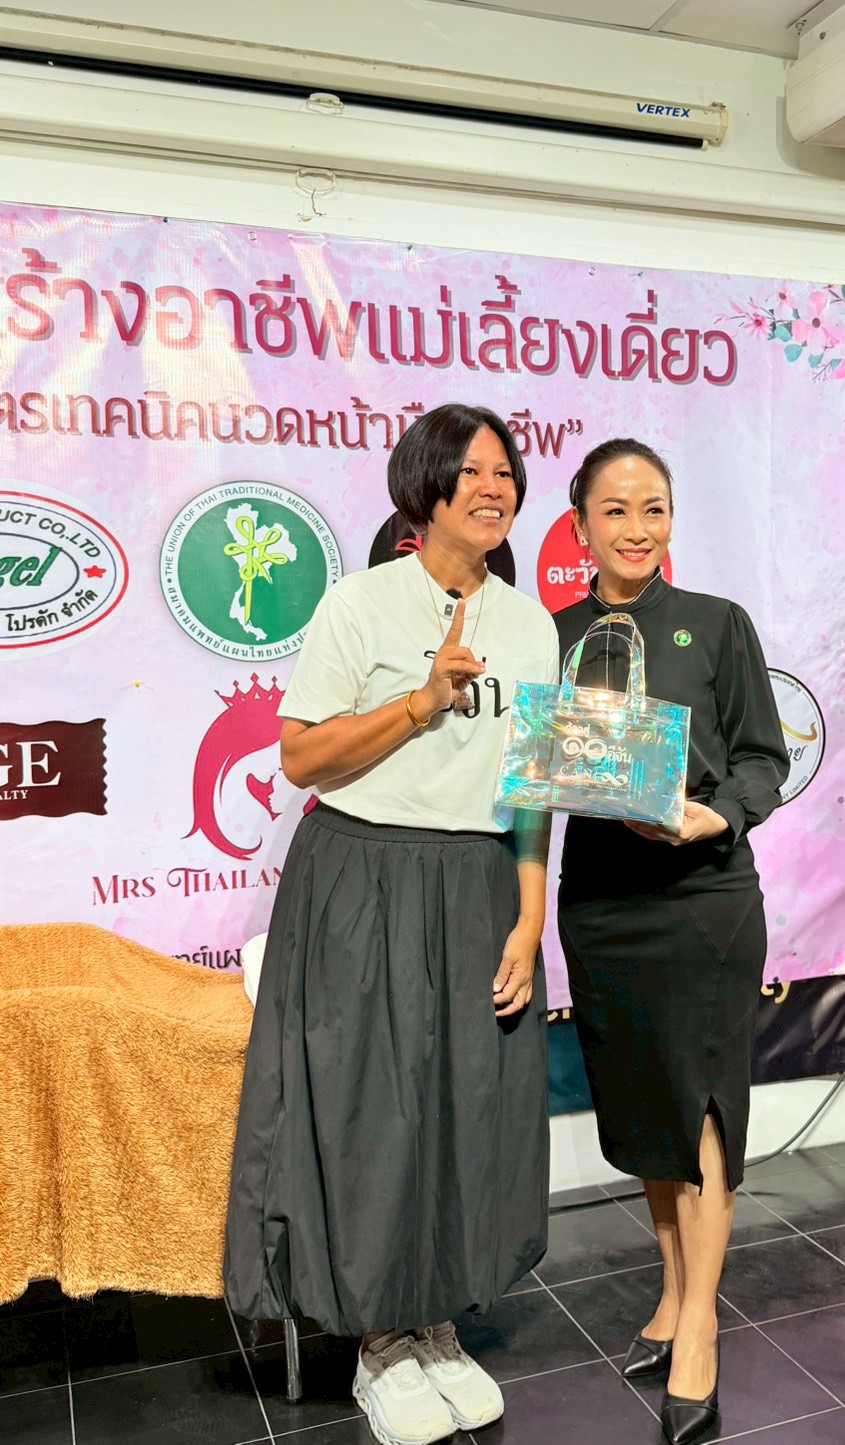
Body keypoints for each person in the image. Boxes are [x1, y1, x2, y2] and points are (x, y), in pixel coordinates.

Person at [223, 403, 560, 1445]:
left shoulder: (530, 624)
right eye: (472, 471)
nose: (493, 488)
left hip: (477, 883)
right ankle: (379, 1341)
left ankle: (436, 1320)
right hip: (362, 876)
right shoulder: (360, 604)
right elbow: (299, 758)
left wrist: (528, 919)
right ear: (424, 488)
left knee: (466, 1106)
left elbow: (533, 789)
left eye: (505, 471)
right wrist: (418, 702)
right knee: (375, 1111)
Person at [553, 438, 789, 1445]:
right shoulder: (554, 636)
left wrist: (715, 814)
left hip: (703, 899)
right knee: (648, 1105)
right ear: (580, 525)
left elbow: (763, 758)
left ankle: (701, 1324)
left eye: (653, 507)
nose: (636, 528)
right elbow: (540, 773)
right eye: (615, 510)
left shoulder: (716, 623)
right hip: (602, 905)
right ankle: (670, 1288)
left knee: (699, 1108)